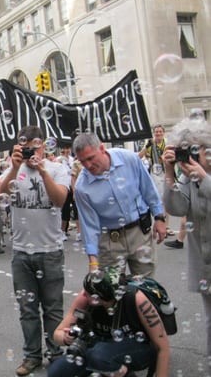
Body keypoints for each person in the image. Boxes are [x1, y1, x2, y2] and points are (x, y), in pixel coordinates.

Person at [0, 125, 70, 375]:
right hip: (21, 252)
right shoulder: (11, 171)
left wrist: (42, 171)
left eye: (35, 145)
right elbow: (0, 193)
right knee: (27, 309)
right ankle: (32, 356)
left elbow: (60, 200)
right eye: (25, 145)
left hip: (50, 250)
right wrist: (15, 167)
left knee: (53, 307)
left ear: (43, 145)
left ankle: (56, 353)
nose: (31, 150)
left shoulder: (58, 169)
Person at [72, 133, 167, 277]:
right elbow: (89, 226)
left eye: (91, 158)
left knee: (146, 287)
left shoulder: (129, 159)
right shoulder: (82, 187)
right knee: (111, 291)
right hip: (109, 240)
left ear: (102, 149)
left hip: (139, 232)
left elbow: (148, 189)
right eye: (82, 161)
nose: (87, 165)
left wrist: (159, 218)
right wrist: (93, 261)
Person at [48, 268, 170, 377]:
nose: (84, 293)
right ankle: (109, 369)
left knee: (99, 356)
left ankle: (124, 373)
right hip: (99, 345)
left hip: (137, 346)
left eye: (89, 293)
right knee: (56, 372)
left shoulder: (136, 299)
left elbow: (162, 347)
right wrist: (66, 338)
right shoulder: (84, 296)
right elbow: (57, 334)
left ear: (101, 298)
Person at [162, 117, 211, 358]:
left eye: (194, 149)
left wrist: (205, 179)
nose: (189, 157)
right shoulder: (188, 176)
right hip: (206, 263)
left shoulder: (200, 176)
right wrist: (169, 172)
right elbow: (177, 207)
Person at [138, 124, 175, 237]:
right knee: (157, 199)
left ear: (163, 133)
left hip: (166, 171)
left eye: (160, 131)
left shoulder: (168, 143)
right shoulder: (150, 144)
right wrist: (146, 146)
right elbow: (139, 156)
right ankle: (159, 223)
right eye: (156, 132)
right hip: (155, 173)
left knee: (166, 199)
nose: (158, 133)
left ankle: (166, 225)